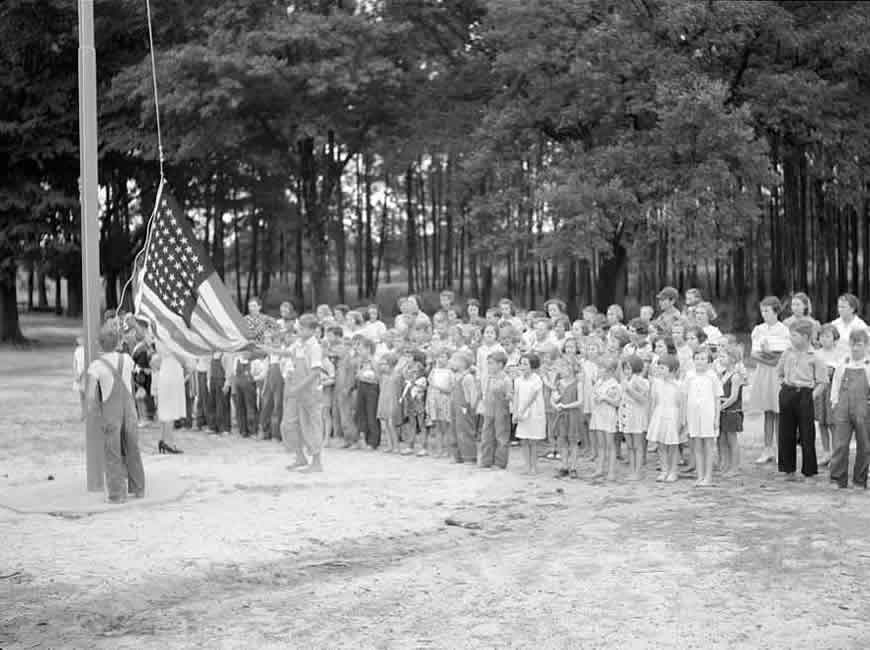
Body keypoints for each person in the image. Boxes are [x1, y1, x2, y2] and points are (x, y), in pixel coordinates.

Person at [85, 323, 145, 503]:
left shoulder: (96, 366)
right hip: (129, 410)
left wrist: (92, 411)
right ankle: (138, 488)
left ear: (99, 344)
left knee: (112, 453)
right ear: (118, 342)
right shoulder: (127, 359)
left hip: (111, 413)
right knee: (133, 448)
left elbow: (89, 395)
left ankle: (117, 495)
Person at [776, 319, 827, 481]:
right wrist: (784, 386)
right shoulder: (787, 353)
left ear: (805, 337)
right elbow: (779, 372)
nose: (791, 338)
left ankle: (809, 472)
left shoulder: (815, 357)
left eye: (794, 335)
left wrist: (811, 396)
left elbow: (823, 381)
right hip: (788, 393)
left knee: (807, 434)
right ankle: (788, 470)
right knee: (786, 433)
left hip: (805, 394)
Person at [281, 314, 327, 472]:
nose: (298, 330)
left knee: (312, 426)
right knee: (290, 424)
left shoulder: (314, 347)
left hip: (310, 392)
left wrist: (296, 388)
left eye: (302, 328)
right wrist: (261, 348)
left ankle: (316, 462)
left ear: (312, 330)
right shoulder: (299, 344)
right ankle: (300, 456)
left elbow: (315, 373)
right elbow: (286, 354)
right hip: (298, 391)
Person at [748, 296, 790, 464]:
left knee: (779, 411)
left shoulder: (783, 330)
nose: (764, 314)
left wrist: (768, 353)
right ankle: (767, 449)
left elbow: (783, 355)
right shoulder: (758, 329)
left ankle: (782, 449)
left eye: (767, 311)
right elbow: (753, 353)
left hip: (778, 375)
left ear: (775, 311)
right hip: (763, 373)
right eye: (762, 311)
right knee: (767, 411)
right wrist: (768, 356)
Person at [828, 329, 870, 489]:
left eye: (859, 345)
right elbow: (836, 384)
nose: (855, 349)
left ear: (866, 346)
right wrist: (834, 402)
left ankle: (860, 480)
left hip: (863, 409)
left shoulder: (868, 366)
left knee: (864, 445)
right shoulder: (843, 362)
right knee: (840, 443)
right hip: (843, 409)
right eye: (852, 344)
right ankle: (837, 478)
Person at [685, 347, 723, 487]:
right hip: (693, 414)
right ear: (693, 360)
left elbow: (717, 398)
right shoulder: (689, 376)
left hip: (708, 415)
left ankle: (708, 476)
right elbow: (685, 395)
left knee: (708, 445)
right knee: (697, 445)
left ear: (708, 361)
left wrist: (716, 418)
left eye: (703, 359)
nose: (699, 361)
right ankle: (699, 475)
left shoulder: (712, 376)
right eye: (697, 358)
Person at [647, 355, 684, 483]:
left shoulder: (678, 385)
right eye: (659, 368)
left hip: (673, 415)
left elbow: (680, 405)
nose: (660, 370)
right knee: (661, 445)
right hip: (660, 414)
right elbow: (654, 401)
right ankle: (664, 470)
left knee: (672, 446)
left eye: (663, 368)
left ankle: (673, 471)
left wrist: (680, 422)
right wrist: (652, 418)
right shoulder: (657, 384)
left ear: (672, 369)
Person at [513, 353, 546, 475]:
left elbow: (533, 397)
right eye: (521, 363)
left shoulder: (537, 379)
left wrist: (522, 410)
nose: (522, 366)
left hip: (534, 412)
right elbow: (516, 396)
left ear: (532, 366)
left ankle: (534, 466)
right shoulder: (517, 380)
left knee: (533, 440)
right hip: (522, 412)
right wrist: (515, 412)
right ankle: (527, 465)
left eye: (525, 364)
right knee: (524, 440)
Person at [589, 356, 622, 480]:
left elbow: (617, 403)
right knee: (601, 444)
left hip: (608, 414)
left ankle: (611, 471)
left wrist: (605, 398)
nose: (599, 371)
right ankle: (599, 469)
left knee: (610, 444)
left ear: (610, 371)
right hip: (598, 413)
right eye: (599, 368)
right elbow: (595, 395)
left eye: (602, 369)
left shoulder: (615, 385)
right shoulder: (599, 382)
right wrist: (596, 398)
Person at [618, 355, 650, 481]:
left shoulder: (641, 381)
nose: (627, 371)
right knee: (630, 445)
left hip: (636, 414)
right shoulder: (624, 380)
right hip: (625, 413)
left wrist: (629, 390)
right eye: (625, 368)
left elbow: (643, 399)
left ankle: (638, 471)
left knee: (638, 445)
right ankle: (632, 470)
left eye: (629, 368)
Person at [479, 350, 511, 469]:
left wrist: (506, 395)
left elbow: (509, 396)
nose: (488, 366)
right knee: (486, 435)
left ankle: (500, 462)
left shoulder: (505, 379)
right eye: (488, 363)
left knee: (501, 436)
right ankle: (486, 460)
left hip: (501, 411)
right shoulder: (489, 378)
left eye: (491, 363)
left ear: (500, 365)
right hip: (489, 410)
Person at [153, 340, 186, 453]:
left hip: (166, 370)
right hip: (172, 371)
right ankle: (169, 442)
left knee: (165, 407)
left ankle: (163, 439)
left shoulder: (158, 337)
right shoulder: (167, 336)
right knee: (170, 409)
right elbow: (179, 355)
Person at [814, 324, 840, 466]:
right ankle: (826, 452)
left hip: (833, 391)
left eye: (828, 336)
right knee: (822, 422)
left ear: (835, 339)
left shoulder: (839, 354)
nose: (824, 339)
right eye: (822, 336)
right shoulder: (817, 354)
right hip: (819, 391)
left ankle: (836, 455)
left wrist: (831, 371)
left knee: (833, 423)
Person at [717, 344, 745, 477]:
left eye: (723, 356)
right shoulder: (723, 374)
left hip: (731, 412)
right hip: (723, 412)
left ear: (732, 359)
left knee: (732, 440)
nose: (720, 358)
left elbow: (733, 397)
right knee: (722, 439)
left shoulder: (735, 376)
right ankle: (725, 464)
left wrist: (721, 407)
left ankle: (735, 468)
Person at [552, 367, 584, 479]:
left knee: (573, 441)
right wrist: (555, 405)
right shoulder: (558, 383)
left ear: (571, 370)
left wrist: (565, 406)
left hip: (573, 415)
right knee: (562, 441)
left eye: (564, 367)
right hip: (561, 415)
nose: (561, 370)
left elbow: (580, 401)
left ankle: (574, 467)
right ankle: (564, 466)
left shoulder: (578, 384)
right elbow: (553, 398)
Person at [450, 351, 480, 464]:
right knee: (454, 430)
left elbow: (473, 394)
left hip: (464, 408)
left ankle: (469, 456)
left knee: (466, 431)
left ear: (462, 363)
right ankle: (457, 455)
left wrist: (471, 409)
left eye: (454, 360)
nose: (452, 362)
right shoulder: (455, 376)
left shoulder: (467, 377)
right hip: (455, 406)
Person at [354, 335, 381, 450]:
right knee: (361, 413)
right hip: (362, 387)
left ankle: (373, 441)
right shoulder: (361, 361)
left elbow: (378, 378)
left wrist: (367, 378)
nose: (358, 351)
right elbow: (357, 374)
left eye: (361, 348)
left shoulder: (374, 362)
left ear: (368, 349)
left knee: (371, 414)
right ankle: (363, 439)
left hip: (371, 388)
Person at [258, 329, 284, 441]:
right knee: (266, 405)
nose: (276, 344)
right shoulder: (269, 356)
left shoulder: (283, 354)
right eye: (274, 341)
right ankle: (265, 431)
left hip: (280, 383)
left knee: (278, 407)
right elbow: (266, 371)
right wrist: (264, 387)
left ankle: (276, 434)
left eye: (278, 341)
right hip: (269, 382)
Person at [377, 352, 402, 453]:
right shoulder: (383, 376)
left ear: (391, 364)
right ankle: (389, 445)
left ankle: (396, 445)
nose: (382, 366)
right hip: (384, 400)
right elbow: (381, 388)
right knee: (386, 424)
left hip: (393, 401)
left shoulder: (397, 376)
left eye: (384, 364)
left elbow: (398, 392)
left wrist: (396, 404)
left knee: (392, 424)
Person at [830, 293, 868, 360]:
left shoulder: (861, 326)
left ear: (852, 309)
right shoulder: (834, 324)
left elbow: (866, 348)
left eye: (843, 307)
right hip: (835, 361)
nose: (840, 309)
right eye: (839, 307)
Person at [73, 331, 86, 419]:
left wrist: (81, 374)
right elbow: (75, 363)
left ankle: (88, 413)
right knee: (81, 395)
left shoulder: (87, 350)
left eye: (81, 338)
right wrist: (76, 374)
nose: (79, 340)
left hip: (85, 375)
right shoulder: (77, 350)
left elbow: (86, 363)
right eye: (78, 339)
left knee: (87, 394)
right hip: (78, 375)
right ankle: (83, 413)